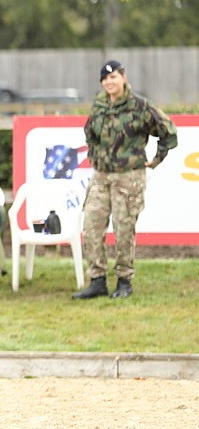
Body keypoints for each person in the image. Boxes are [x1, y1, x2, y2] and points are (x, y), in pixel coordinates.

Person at [71, 60, 178, 300]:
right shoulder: (99, 105)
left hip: (128, 177)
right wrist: (94, 155)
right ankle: (97, 280)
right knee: (91, 226)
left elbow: (168, 132)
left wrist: (157, 158)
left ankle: (124, 280)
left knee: (124, 229)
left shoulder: (139, 106)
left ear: (123, 78)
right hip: (101, 176)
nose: (109, 82)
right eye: (105, 79)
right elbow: (90, 133)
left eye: (114, 77)